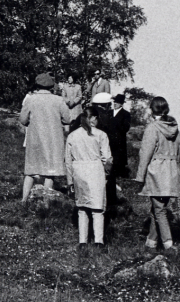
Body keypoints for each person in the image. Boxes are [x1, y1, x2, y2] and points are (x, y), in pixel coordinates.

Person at [135, 96, 180, 251]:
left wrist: (140, 176)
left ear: (151, 109)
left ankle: (168, 244)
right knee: (157, 208)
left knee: (159, 209)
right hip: (171, 171)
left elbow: (145, 154)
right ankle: (151, 242)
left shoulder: (152, 128)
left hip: (157, 171)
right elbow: (179, 154)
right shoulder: (175, 128)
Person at [19, 73, 72, 203]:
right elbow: (67, 119)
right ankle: (44, 202)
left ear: (37, 85)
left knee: (31, 170)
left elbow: (23, 119)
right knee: (50, 171)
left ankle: (24, 200)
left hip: (35, 140)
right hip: (53, 141)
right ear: (51, 86)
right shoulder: (59, 100)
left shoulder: (31, 99)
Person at [66, 107, 112, 252]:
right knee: (97, 208)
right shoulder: (101, 135)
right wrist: (107, 173)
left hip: (78, 170)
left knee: (82, 207)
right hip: (95, 170)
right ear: (93, 118)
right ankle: (99, 241)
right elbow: (108, 158)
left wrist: (70, 181)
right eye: (97, 118)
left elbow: (68, 160)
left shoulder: (72, 136)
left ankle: (82, 241)